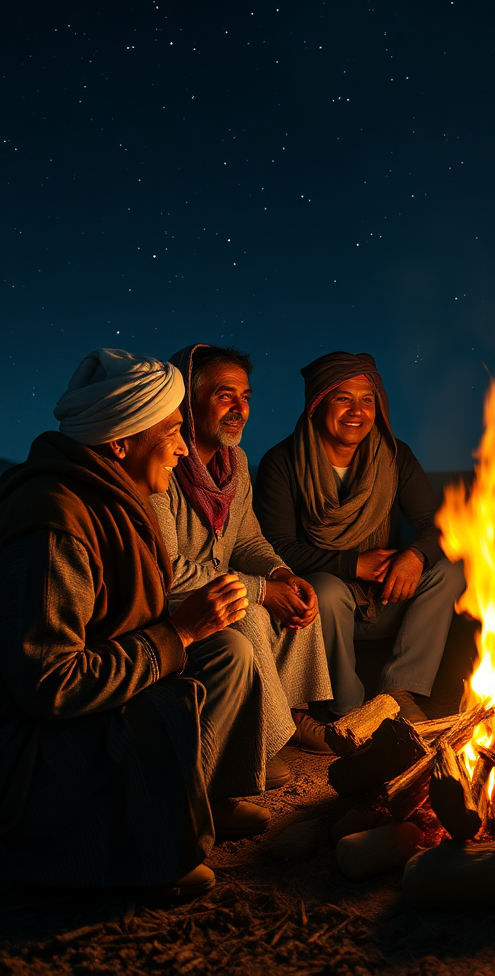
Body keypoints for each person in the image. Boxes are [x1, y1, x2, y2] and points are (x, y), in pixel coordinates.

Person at [0, 349, 272, 902]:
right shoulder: (56, 522)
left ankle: (203, 799)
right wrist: (179, 635)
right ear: (121, 441)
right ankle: (129, 849)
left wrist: (195, 631)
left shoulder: (120, 498)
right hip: (36, 747)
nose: (181, 446)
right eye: (171, 432)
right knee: (170, 698)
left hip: (100, 689)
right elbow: (49, 683)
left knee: (229, 653)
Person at [152, 345, 334, 793]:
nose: (240, 408)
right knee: (247, 608)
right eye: (223, 395)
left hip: (215, 585)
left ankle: (290, 713)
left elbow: (248, 539)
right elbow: (167, 570)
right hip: (172, 602)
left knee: (294, 591)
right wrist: (257, 590)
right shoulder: (162, 465)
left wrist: (277, 574)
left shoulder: (236, 464)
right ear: (188, 401)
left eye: (246, 396)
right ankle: (258, 743)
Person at [255, 351, 464, 723]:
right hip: (322, 608)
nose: (357, 411)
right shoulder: (284, 462)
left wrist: (413, 556)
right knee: (327, 589)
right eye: (343, 398)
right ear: (317, 404)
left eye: (368, 400)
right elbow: (276, 548)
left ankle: (399, 690)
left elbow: (437, 525)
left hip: (385, 593)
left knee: (447, 570)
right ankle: (347, 710)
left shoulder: (394, 456)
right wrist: (353, 564)